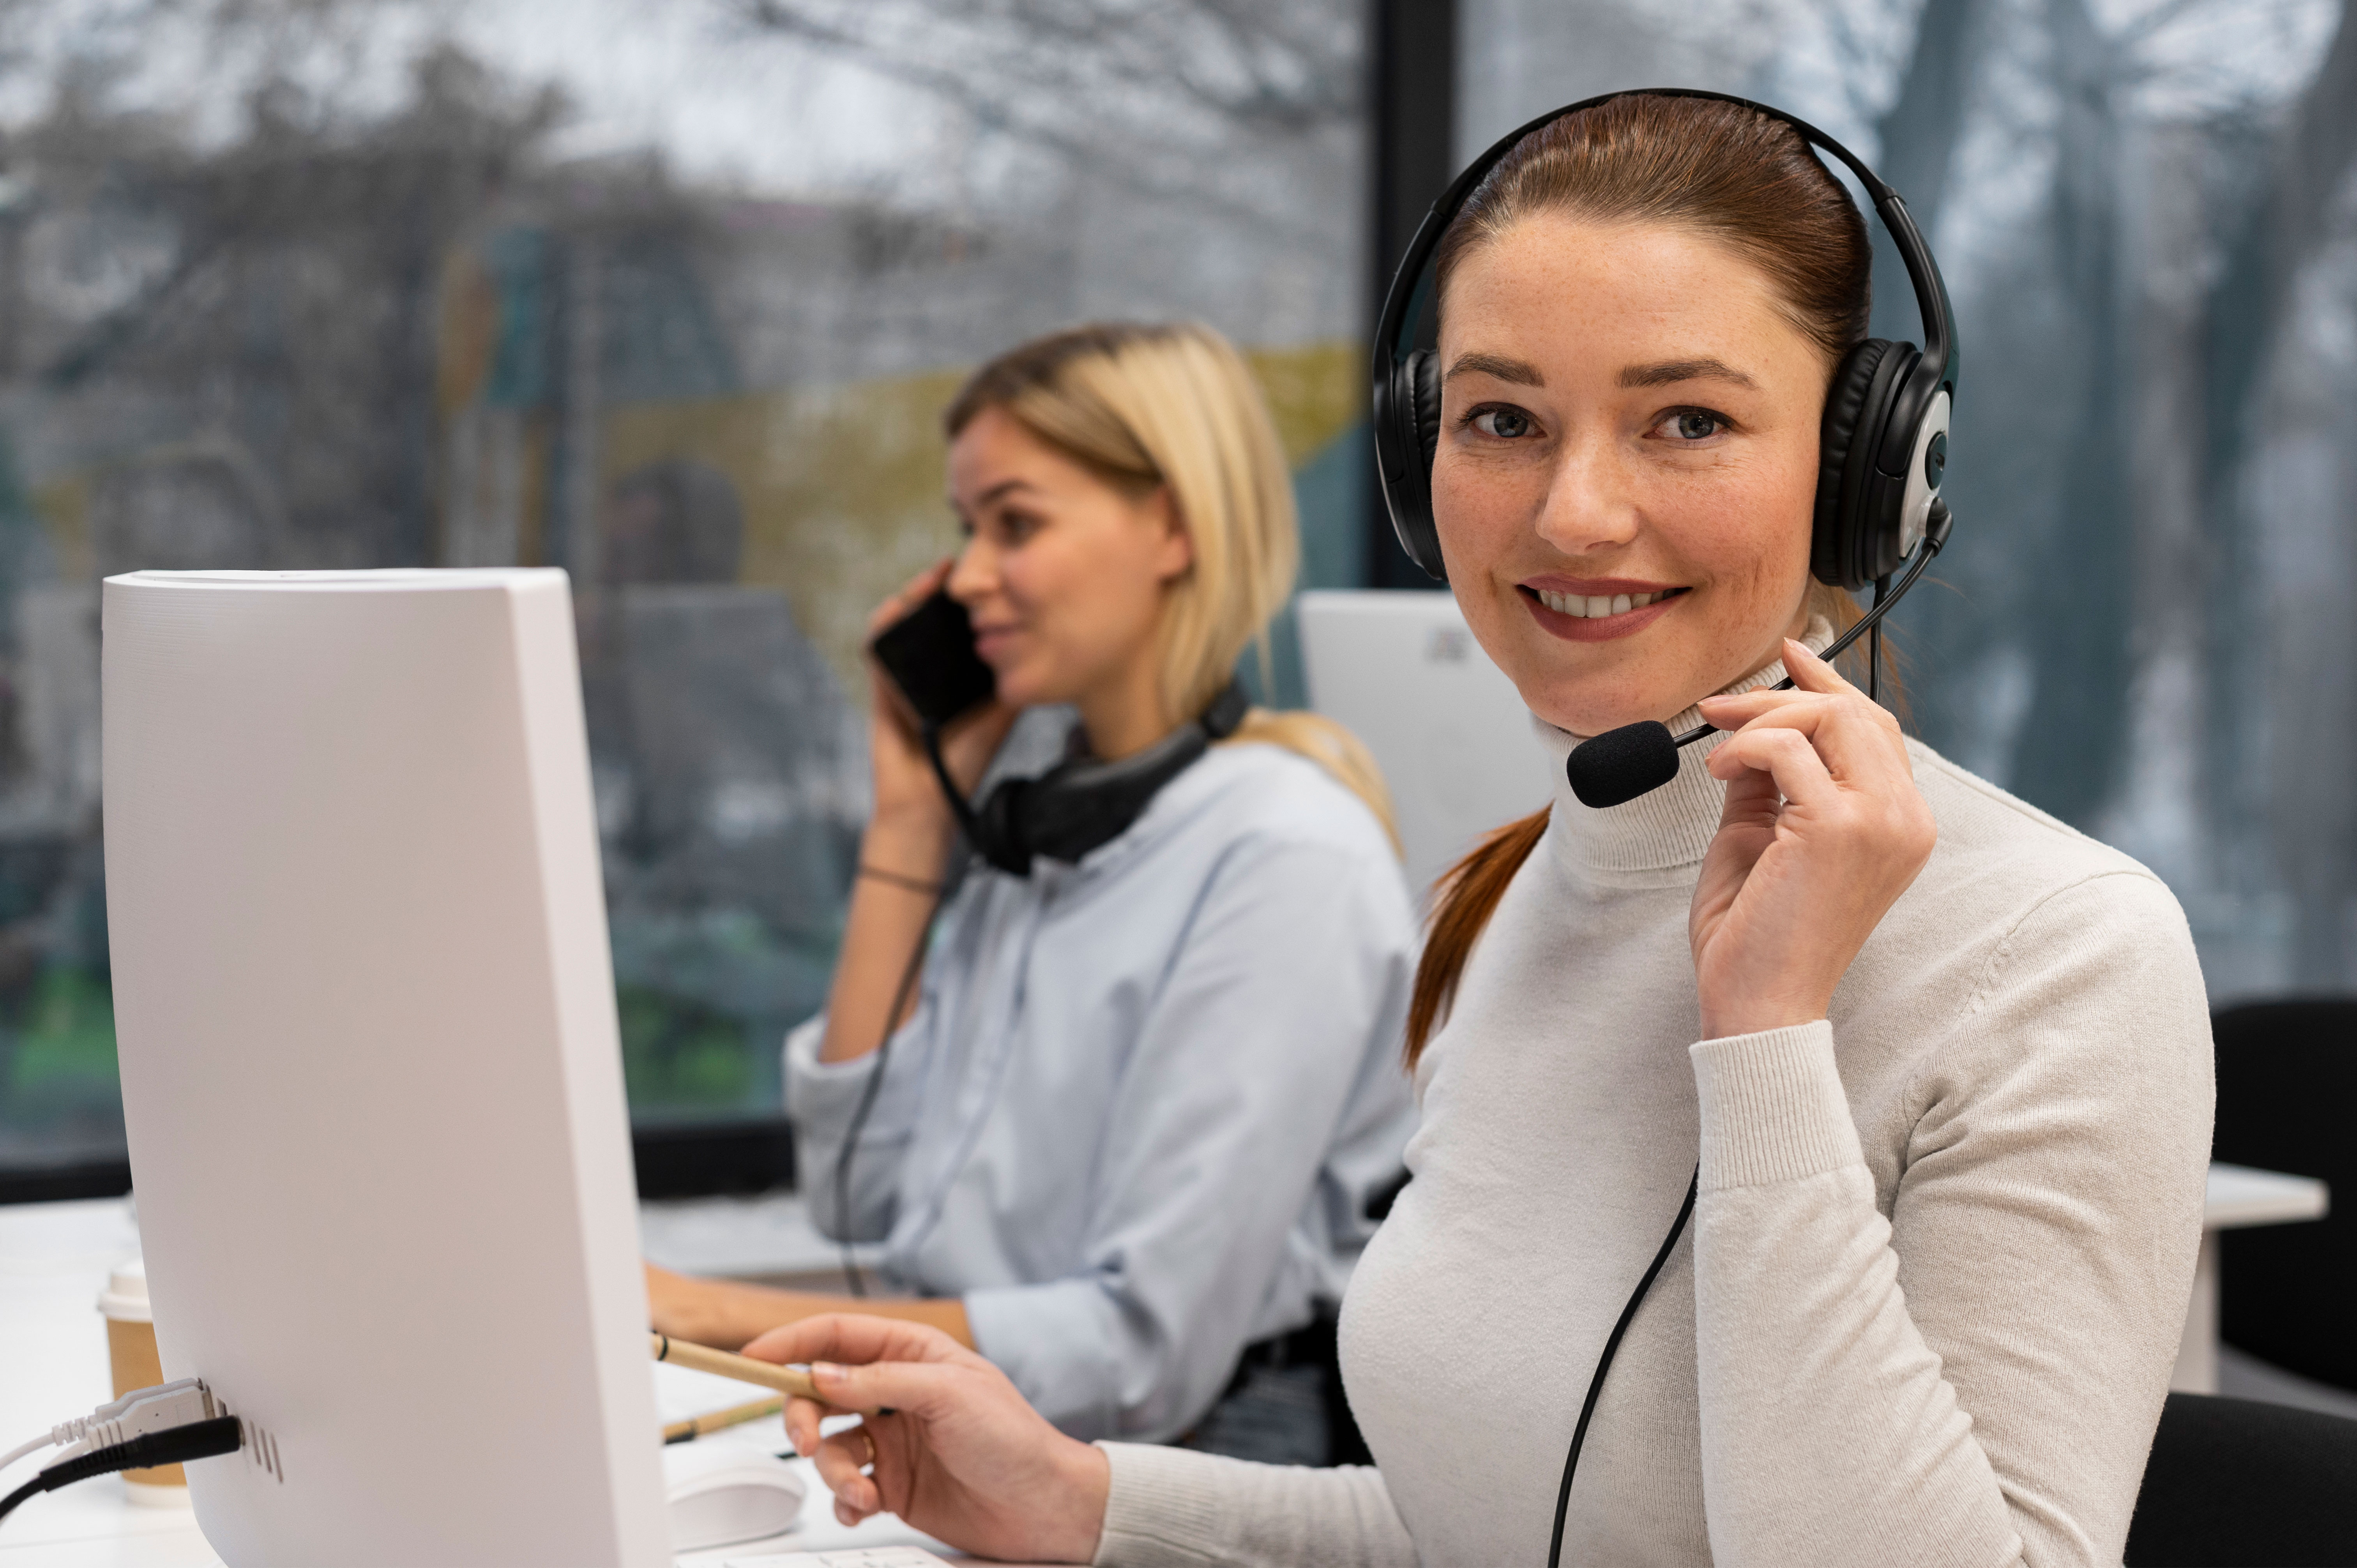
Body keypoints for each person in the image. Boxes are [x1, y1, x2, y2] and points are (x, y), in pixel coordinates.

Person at [738, 94, 2215, 1567]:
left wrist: (1770, 1036)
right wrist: (1083, 1503)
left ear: (1862, 477)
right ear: (1413, 455)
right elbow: (1498, 1523)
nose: (1573, 515)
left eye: (1687, 421)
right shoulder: (1517, 899)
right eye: (1502, 419)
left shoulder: (2060, 957)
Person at [646, 321, 1418, 1462]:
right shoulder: (1039, 831)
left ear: (1171, 523)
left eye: (1017, 523)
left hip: (1195, 1462)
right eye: (967, 531)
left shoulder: (1284, 854)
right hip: (982, 1432)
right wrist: (911, 821)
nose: (965, 579)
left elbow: (1137, 1356)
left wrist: (719, 1315)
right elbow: (856, 1197)